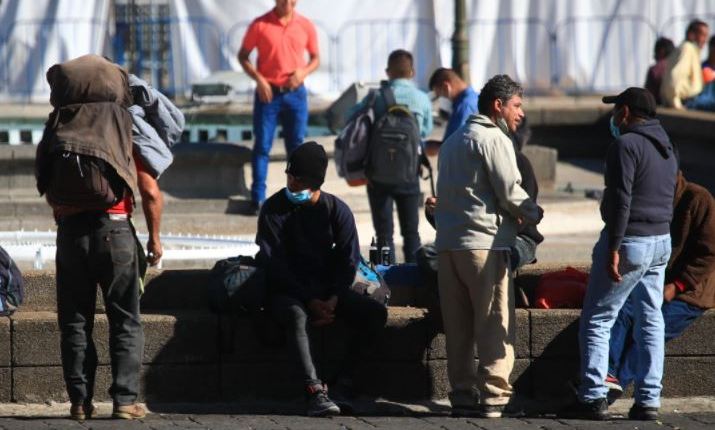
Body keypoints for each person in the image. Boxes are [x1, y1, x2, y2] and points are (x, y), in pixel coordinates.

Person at [35, 55, 163, 421]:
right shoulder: (123, 123)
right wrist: (154, 239)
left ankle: (79, 402)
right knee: (125, 319)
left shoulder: (57, 122)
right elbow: (150, 190)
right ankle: (124, 401)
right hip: (116, 230)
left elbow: (43, 180)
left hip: (70, 235)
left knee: (75, 321)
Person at [434, 74, 542, 418]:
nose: (520, 113)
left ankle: (462, 394)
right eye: (516, 105)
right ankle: (495, 396)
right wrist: (533, 213)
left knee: (459, 328)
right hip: (485, 247)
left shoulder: (452, 142)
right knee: (495, 323)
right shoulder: (494, 139)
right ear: (498, 106)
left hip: (449, 247)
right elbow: (511, 192)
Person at [255, 141, 387, 417]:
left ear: (314, 183)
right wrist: (310, 300)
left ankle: (344, 383)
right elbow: (274, 264)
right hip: (288, 291)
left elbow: (349, 260)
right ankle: (313, 390)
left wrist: (334, 298)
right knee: (296, 315)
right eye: (289, 176)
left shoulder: (336, 211)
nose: (291, 182)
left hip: (329, 293)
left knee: (374, 314)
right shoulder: (273, 209)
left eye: (298, 179)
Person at [569, 88, 678, 421]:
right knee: (650, 319)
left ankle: (592, 395)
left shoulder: (625, 145)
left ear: (627, 112)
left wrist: (614, 247)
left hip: (630, 241)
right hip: (661, 240)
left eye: (617, 110)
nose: (614, 117)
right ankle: (648, 399)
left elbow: (620, 201)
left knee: (599, 318)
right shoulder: (667, 148)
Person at [608, 171, 715, 400]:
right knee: (621, 311)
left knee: (650, 330)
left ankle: (617, 385)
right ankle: (606, 375)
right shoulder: (648, 202)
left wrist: (676, 287)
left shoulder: (699, 199)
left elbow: (709, 254)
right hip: (655, 281)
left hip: (691, 291)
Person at [349, 49, 433, 263]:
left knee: (384, 234)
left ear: (388, 72)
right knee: (411, 233)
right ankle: (414, 279)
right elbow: (424, 132)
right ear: (412, 72)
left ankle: (387, 283)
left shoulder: (376, 97)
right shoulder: (422, 99)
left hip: (378, 175)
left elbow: (352, 120)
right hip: (409, 173)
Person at [237, 0, 320, 214]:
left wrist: (303, 72)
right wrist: (259, 79)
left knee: (297, 148)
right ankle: (258, 199)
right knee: (262, 146)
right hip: (268, 94)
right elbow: (243, 56)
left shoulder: (305, 24)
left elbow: (315, 58)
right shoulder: (260, 24)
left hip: (296, 94)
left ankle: (297, 196)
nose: (287, 2)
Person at [661, 19, 710, 109]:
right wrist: (676, 103)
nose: (705, 40)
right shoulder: (687, 49)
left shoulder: (690, 49)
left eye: (706, 36)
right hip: (685, 102)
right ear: (691, 34)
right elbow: (674, 79)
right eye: (702, 35)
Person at [428, 67, 479, 141]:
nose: (444, 99)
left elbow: (456, 142)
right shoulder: (472, 99)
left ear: (446, 87)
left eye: (442, 95)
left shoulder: (464, 106)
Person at [644, 37, 675, 105]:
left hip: (658, 109)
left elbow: (647, 96)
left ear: (661, 51)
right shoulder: (676, 67)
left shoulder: (655, 69)